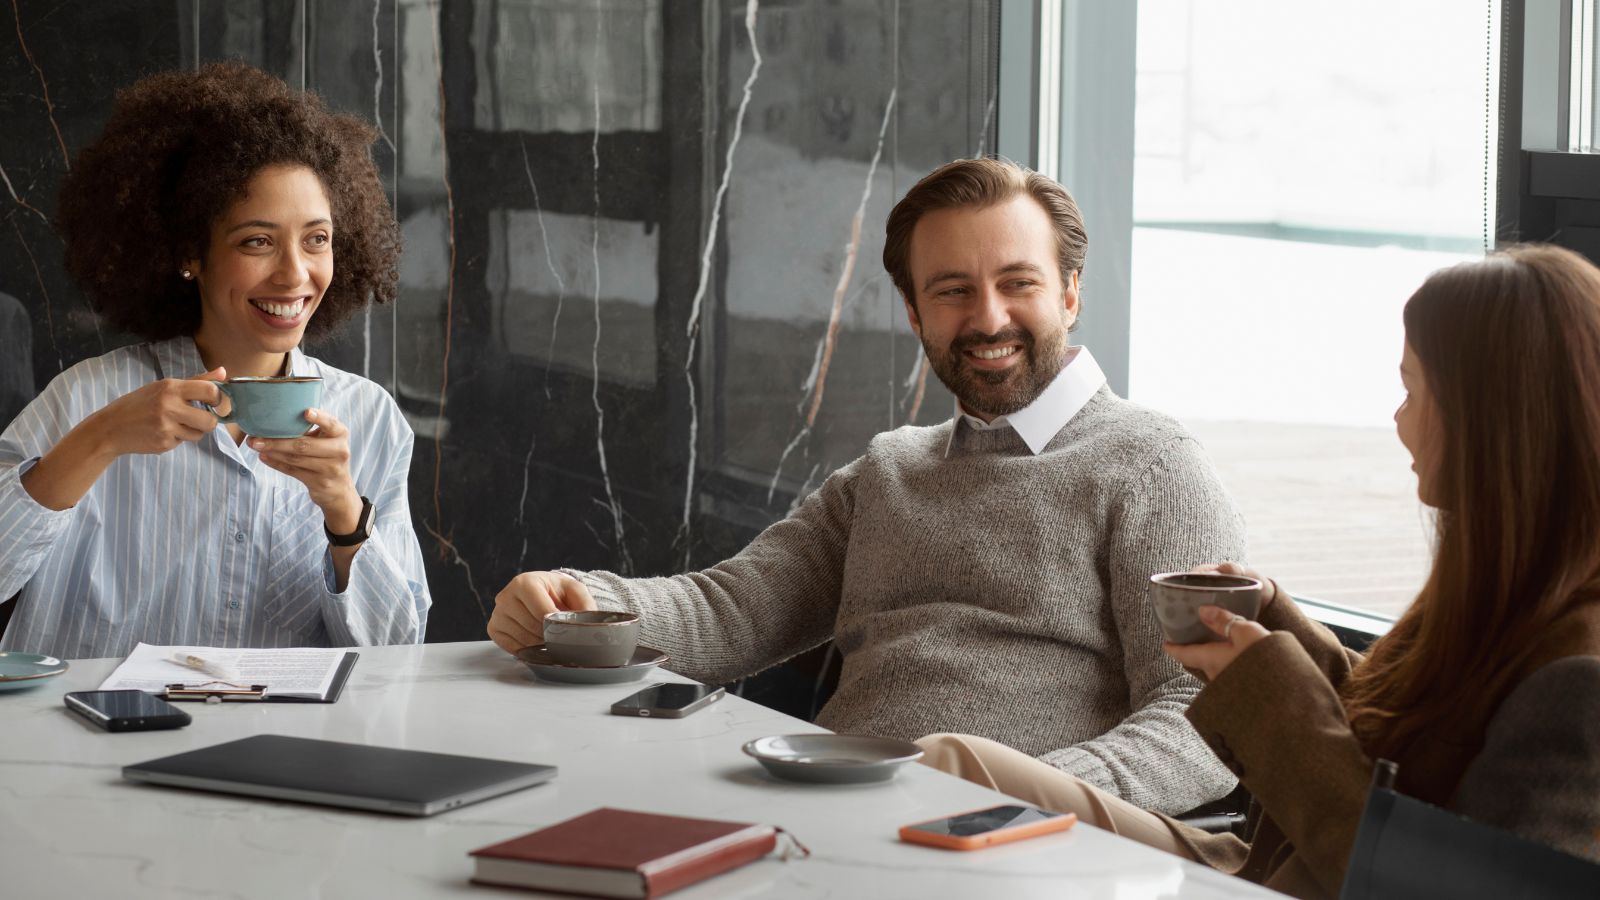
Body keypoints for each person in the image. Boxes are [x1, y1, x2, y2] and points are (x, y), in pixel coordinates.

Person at [491, 158, 1245, 815]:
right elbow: (733, 611)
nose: (989, 317)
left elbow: (1209, 715)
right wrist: (579, 602)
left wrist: (1017, 795)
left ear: (1071, 294)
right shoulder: (890, 471)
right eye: (953, 291)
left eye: (1019, 283)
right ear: (916, 313)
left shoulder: (1154, 467)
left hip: (1003, 848)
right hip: (826, 811)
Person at [918, 244, 1600, 899]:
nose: (1398, 420)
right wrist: (1284, 633)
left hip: (1290, 881)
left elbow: (1425, 882)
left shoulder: (1579, 685)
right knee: (952, 763)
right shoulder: (1511, 588)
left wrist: (1271, 698)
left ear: (1491, 423)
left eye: (1413, 391)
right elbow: (1418, 750)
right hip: (1258, 863)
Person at [0, 62, 430, 658]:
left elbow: (399, 653)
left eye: (317, 239)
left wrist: (344, 512)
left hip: (280, 745)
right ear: (188, 254)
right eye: (257, 240)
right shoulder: (88, 397)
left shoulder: (370, 417)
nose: (295, 274)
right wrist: (96, 441)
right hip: (86, 740)